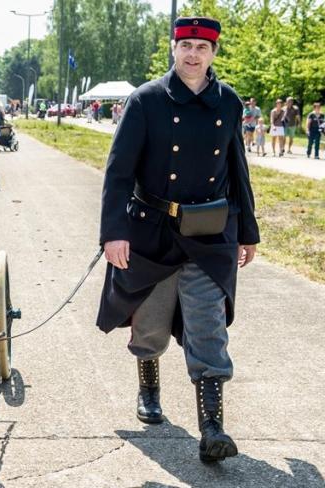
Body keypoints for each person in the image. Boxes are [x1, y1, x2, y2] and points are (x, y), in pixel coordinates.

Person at [97, 17, 259, 464]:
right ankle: (149, 386)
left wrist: (248, 232)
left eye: (202, 48)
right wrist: (113, 233)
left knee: (208, 325)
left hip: (210, 234)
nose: (193, 55)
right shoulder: (145, 100)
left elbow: (236, 168)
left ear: (213, 53)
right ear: (173, 48)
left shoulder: (228, 101)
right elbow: (118, 172)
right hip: (153, 230)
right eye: (185, 45)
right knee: (149, 321)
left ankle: (212, 428)